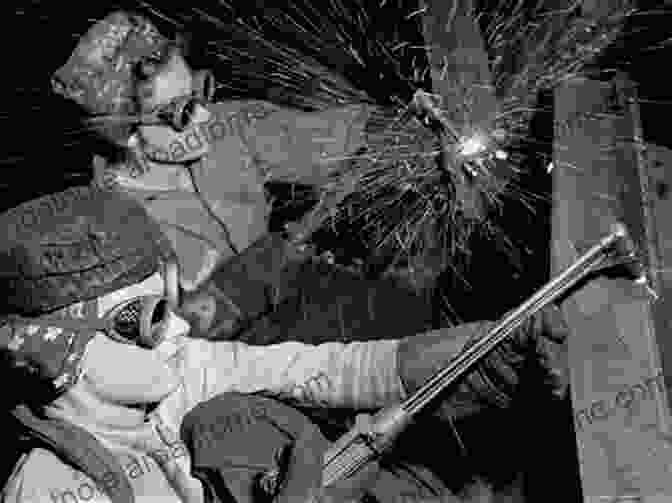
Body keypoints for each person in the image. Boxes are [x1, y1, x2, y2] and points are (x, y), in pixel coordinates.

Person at [0, 186, 568, 503]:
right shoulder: (50, 489)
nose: (175, 330)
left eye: (170, 303)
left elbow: (326, 368)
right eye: (144, 320)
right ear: (56, 352)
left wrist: (487, 350)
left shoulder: (181, 372)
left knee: (230, 421)